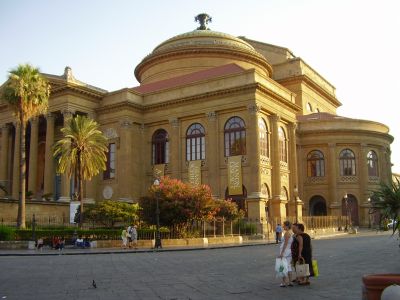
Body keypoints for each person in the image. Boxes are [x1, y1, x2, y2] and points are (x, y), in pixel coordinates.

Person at [278, 221, 294, 287]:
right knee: (289, 266)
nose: (283, 226)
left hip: (285, 251)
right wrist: (280, 232)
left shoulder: (287, 233)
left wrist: (282, 253)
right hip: (289, 251)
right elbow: (280, 239)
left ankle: (284, 282)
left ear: (287, 226)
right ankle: (290, 281)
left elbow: (285, 243)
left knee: (282, 266)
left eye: (284, 225)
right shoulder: (290, 232)